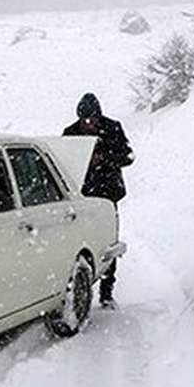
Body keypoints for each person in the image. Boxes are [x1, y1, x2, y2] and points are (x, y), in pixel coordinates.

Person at [62, 92, 133, 308]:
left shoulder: (113, 128)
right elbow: (63, 161)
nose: (88, 123)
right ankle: (80, 291)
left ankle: (106, 293)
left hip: (108, 195)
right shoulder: (70, 133)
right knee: (79, 245)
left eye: (92, 119)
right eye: (84, 119)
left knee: (106, 244)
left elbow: (128, 156)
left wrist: (105, 159)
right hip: (81, 196)